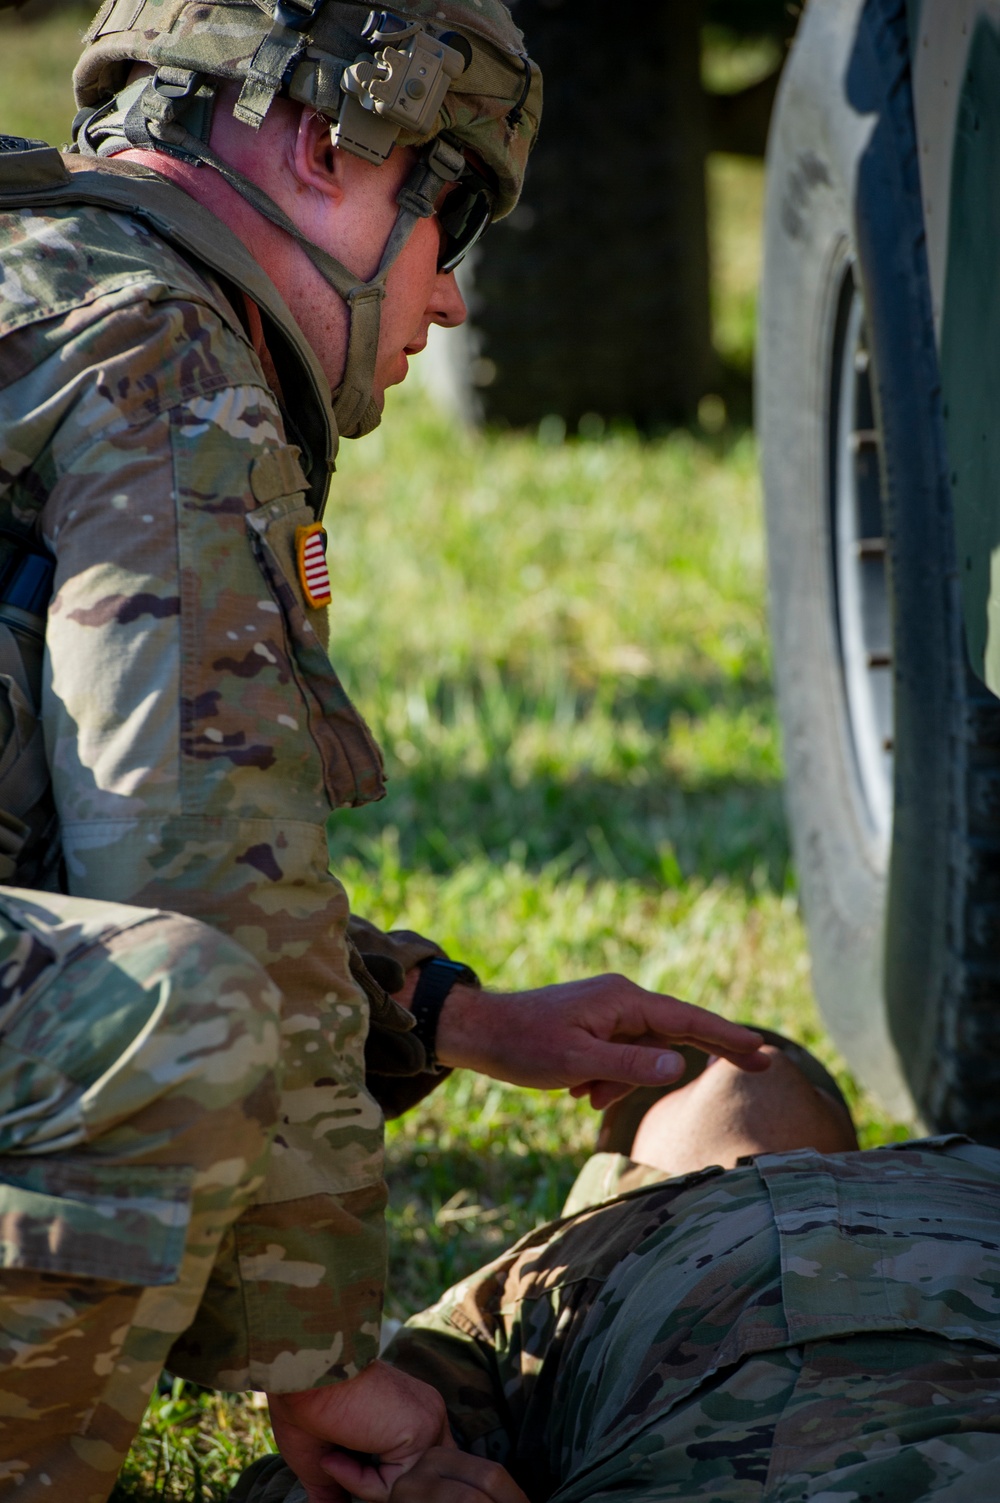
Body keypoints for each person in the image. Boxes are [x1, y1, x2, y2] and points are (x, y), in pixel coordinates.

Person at [0, 1, 770, 1497]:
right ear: (318, 143)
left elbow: (75, 862)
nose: (455, 302)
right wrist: (325, 1358)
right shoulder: (158, 355)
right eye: (454, 216)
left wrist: (451, 1014)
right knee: (182, 1015)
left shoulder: (44, 285)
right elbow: (200, 877)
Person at [232, 1040, 1000, 1503]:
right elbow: (327, 1466)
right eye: (680, 1075)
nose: (732, 1065)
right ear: (618, 1176)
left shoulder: (558, 1271)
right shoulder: (542, 1274)